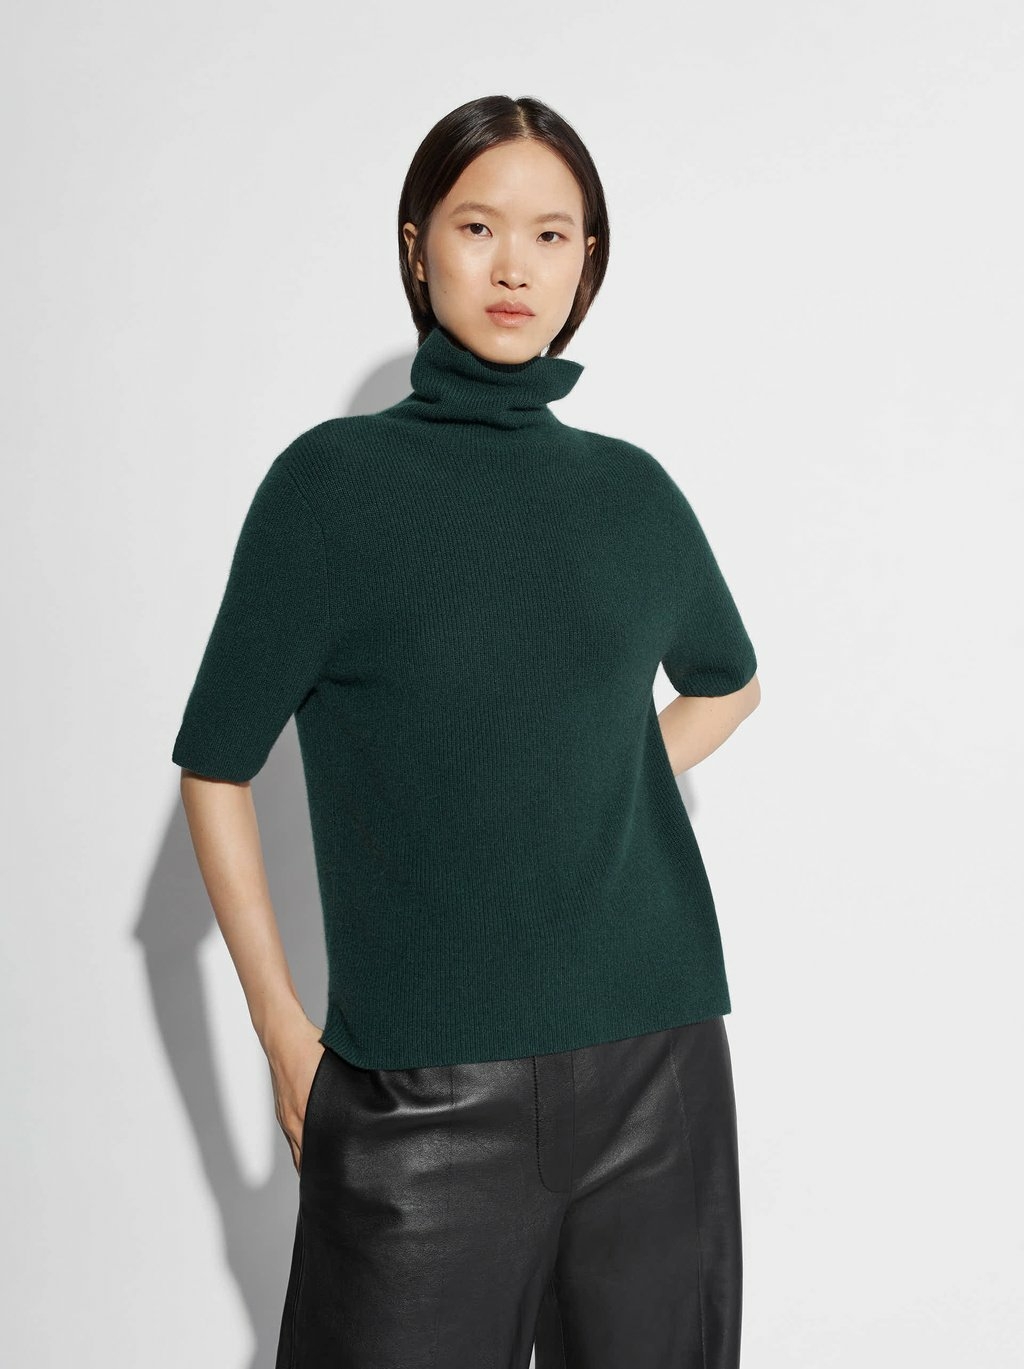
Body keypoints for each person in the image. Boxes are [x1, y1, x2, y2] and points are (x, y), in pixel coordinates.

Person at [172, 94, 761, 1369]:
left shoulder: (630, 491)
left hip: (656, 1068)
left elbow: (728, 681)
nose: (514, 267)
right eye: (478, 225)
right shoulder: (330, 487)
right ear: (416, 245)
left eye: (552, 236)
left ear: (586, 263)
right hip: (415, 1097)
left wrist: (599, 777)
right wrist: (282, 1032)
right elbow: (214, 765)